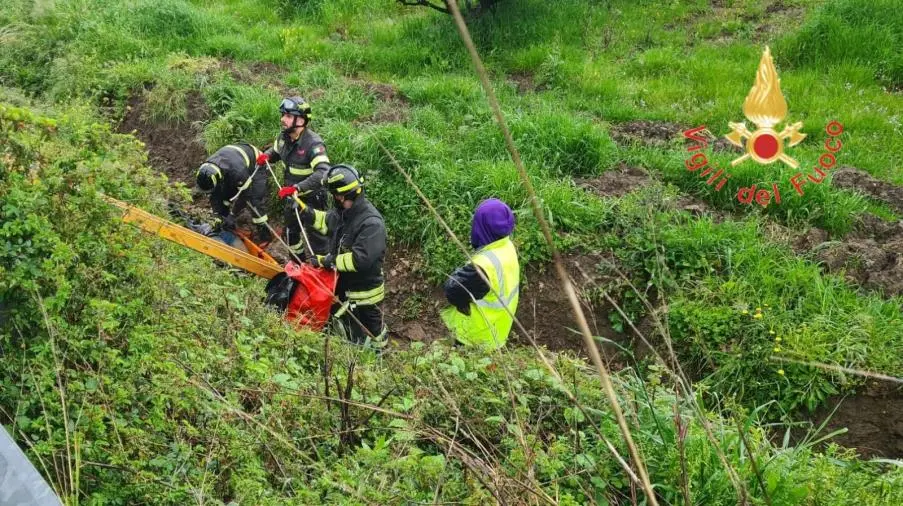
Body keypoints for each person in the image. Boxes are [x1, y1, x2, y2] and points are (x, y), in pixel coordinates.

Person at [293, 164, 388, 348]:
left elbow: (360, 260)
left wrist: (326, 261)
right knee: (347, 329)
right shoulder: (344, 213)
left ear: (343, 195)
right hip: (344, 286)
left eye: (335, 195)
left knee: (374, 332)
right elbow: (326, 222)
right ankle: (353, 355)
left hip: (365, 295)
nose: (334, 199)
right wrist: (304, 211)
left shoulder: (371, 224)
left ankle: (381, 359)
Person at [256, 96, 331, 258]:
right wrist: (266, 156)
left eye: (288, 116)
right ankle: (299, 264)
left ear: (301, 120)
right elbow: (275, 152)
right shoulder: (283, 138)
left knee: (318, 240)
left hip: (312, 199)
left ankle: (323, 274)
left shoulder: (313, 144)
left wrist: (297, 188)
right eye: (283, 115)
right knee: (291, 235)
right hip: (291, 198)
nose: (283, 119)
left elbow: (323, 172)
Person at [441, 198, 519, 350]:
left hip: (474, 337)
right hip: (498, 331)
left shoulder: (484, 266)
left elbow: (453, 290)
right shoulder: (507, 246)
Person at [195, 142, 272, 244]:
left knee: (255, 201)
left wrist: (233, 214)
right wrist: (218, 215)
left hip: (257, 165)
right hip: (232, 163)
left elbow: (245, 195)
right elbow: (215, 195)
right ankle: (224, 224)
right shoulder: (208, 168)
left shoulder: (238, 173)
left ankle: (265, 236)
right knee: (220, 195)